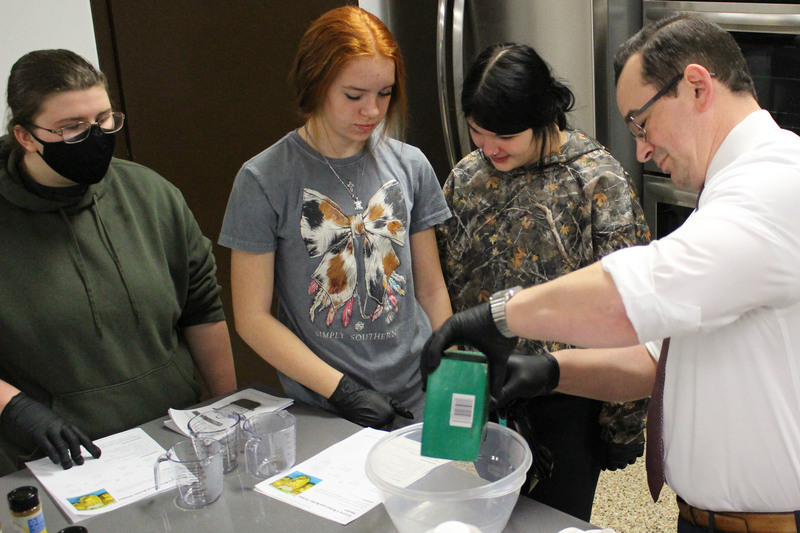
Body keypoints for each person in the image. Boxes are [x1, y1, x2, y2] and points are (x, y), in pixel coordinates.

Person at [422, 13, 800, 533]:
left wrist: (502, 316)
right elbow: (655, 359)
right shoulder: (727, 192)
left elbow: (639, 293)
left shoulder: (776, 185)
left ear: (696, 87)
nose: (641, 149)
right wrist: (551, 372)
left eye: (641, 125)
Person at [437, 42, 651, 521]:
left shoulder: (597, 181)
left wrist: (623, 426)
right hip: (483, 388)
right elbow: (442, 284)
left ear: (543, 117)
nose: (489, 148)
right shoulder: (465, 178)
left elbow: (634, 315)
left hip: (567, 399)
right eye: (477, 132)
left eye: (505, 135)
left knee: (551, 523)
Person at [0, 49, 237, 475]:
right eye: (72, 127)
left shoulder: (151, 195)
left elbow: (201, 309)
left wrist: (227, 408)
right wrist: (14, 407)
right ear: (25, 136)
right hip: (59, 459)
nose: (94, 136)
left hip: (169, 437)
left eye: (104, 119)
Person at [219, 6, 452, 430]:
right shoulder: (264, 179)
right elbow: (252, 318)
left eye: (385, 93)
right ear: (317, 83)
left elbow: (432, 288)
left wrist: (453, 366)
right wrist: (342, 391)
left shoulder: (411, 165)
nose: (372, 110)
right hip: (326, 405)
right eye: (354, 95)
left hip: (420, 393)